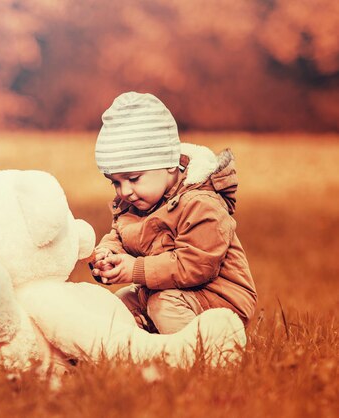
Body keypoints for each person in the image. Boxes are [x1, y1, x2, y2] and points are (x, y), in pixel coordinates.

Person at [90, 91, 257, 334]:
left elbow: (196, 265)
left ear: (169, 163)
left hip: (217, 298)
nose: (124, 191)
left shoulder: (201, 203)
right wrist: (108, 254)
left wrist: (135, 269)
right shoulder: (139, 201)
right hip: (167, 290)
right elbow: (121, 235)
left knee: (163, 305)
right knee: (119, 304)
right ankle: (138, 352)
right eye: (115, 182)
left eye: (134, 178)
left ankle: (199, 357)